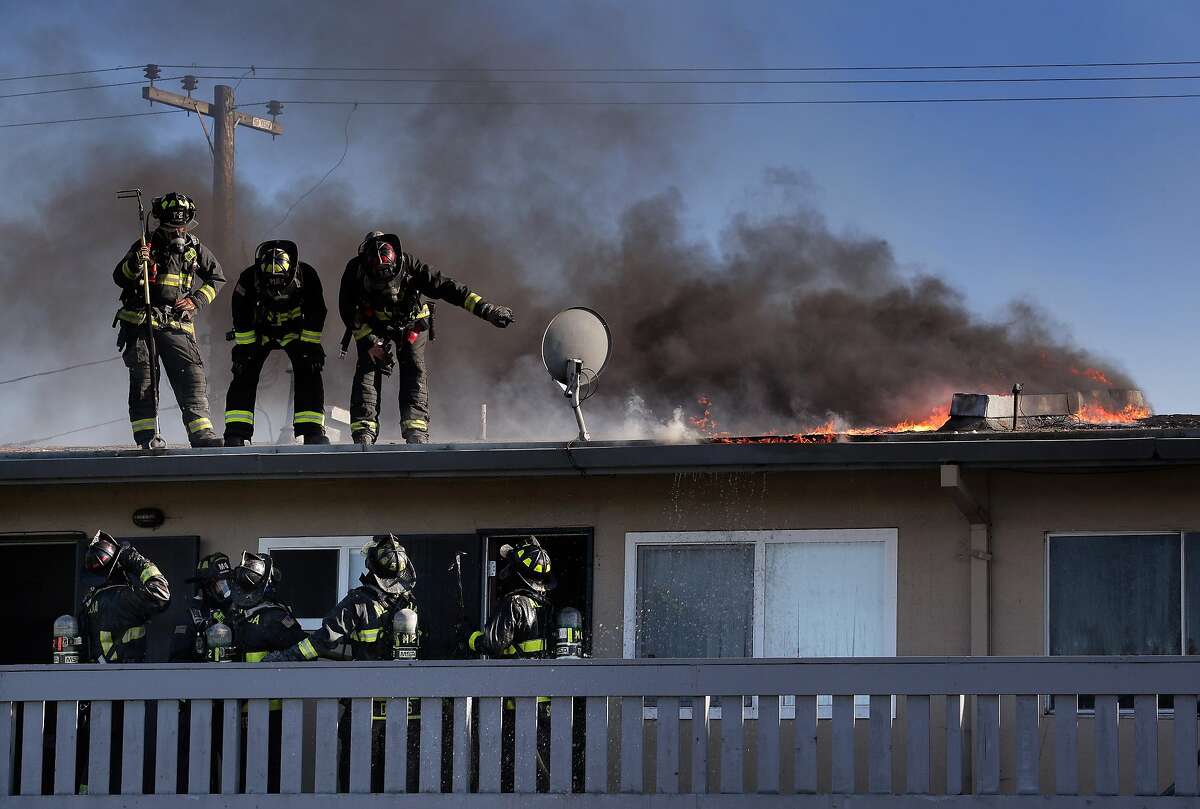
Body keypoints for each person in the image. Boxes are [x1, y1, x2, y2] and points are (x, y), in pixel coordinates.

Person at [264, 535, 418, 791]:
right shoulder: (411, 604)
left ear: (371, 566)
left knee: (357, 780)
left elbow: (322, 641)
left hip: (365, 708)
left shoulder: (358, 602)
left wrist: (287, 657)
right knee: (401, 780)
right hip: (408, 709)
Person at [339, 231, 515, 444]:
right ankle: (363, 431)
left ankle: (416, 430)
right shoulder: (355, 271)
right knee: (368, 367)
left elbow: (449, 288)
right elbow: (347, 310)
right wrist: (370, 343)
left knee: (413, 366)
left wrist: (487, 310)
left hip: (410, 324)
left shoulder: (410, 265)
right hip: (372, 326)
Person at [112, 192, 225, 448]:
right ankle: (147, 438)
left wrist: (196, 300)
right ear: (160, 222)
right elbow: (120, 276)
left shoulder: (195, 248)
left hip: (177, 324)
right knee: (145, 381)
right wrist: (135, 262)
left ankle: (201, 433)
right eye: (171, 227)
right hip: (142, 323)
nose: (177, 232)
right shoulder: (145, 245)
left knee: (192, 376)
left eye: (181, 226)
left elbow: (217, 278)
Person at [467, 536, 555, 792]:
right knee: (540, 763)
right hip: (545, 700)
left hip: (513, 702)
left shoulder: (515, 604)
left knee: (510, 763)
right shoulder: (546, 605)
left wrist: (469, 637)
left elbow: (492, 643)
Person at [224, 240, 330, 446]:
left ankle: (312, 431)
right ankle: (236, 432)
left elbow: (317, 312)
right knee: (243, 374)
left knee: (309, 371)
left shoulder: (307, 275)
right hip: (259, 334)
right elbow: (240, 313)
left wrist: (310, 345)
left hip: (296, 333)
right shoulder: (248, 278)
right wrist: (245, 348)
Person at [227, 552, 308, 793]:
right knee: (245, 776)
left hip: (272, 712)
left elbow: (304, 649)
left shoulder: (273, 617)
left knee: (270, 776)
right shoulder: (234, 615)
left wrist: (282, 657)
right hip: (242, 710)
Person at [79, 532, 171, 662]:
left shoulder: (90, 602)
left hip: (99, 673)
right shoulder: (120, 598)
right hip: (126, 674)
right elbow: (160, 594)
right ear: (118, 566)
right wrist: (139, 563)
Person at [170, 552, 234, 662]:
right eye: (221, 585)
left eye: (228, 583)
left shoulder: (234, 610)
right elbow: (178, 660)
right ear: (206, 586)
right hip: (201, 674)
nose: (226, 590)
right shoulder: (192, 615)